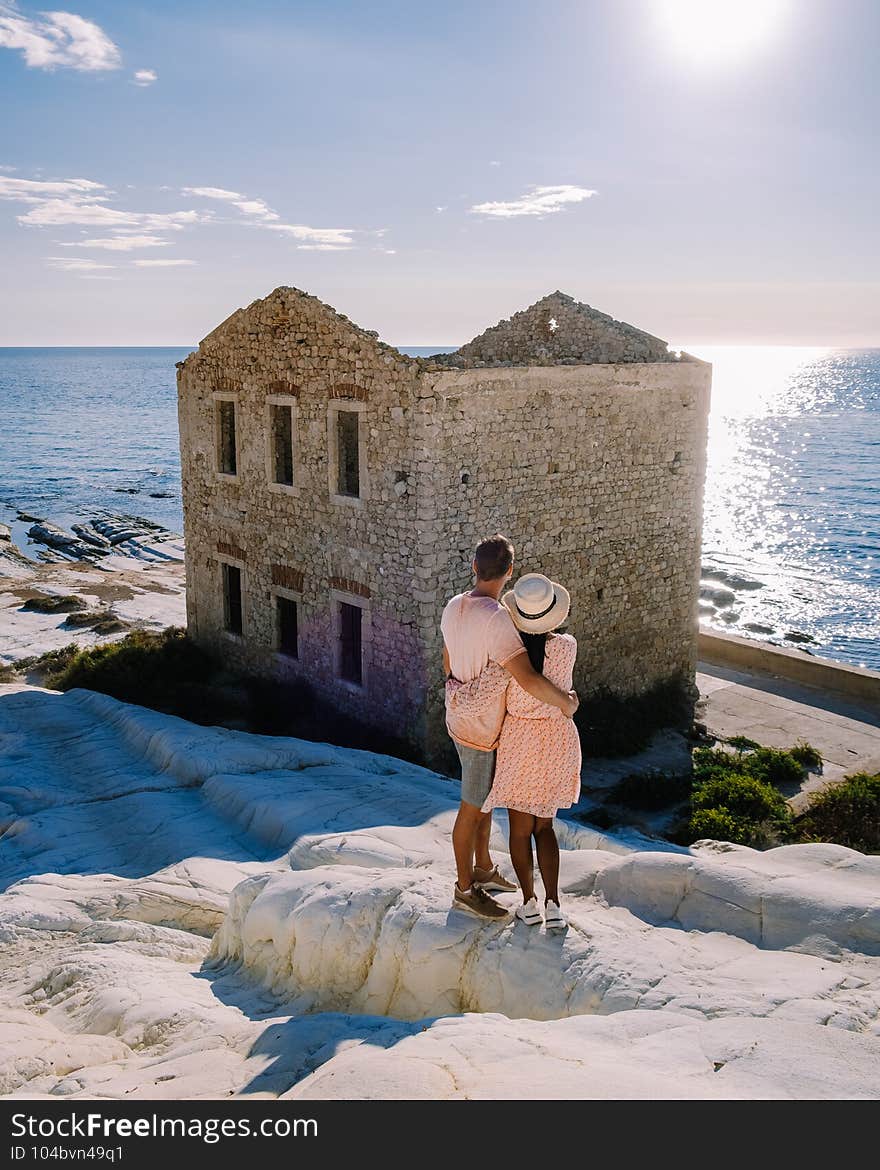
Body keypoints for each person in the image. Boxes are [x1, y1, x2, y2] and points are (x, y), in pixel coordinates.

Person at [441, 536, 579, 920]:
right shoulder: (498, 619)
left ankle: (483, 868)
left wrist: (469, 694)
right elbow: (529, 680)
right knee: (471, 808)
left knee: (484, 800)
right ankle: (464, 889)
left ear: (474, 566)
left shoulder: (454, 606)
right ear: (510, 573)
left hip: (459, 719)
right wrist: (567, 702)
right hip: (484, 731)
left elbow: (447, 663)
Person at [481, 573, 582, 930]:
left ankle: (528, 903)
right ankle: (554, 904)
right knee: (545, 828)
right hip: (555, 738)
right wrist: (570, 702)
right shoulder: (566, 646)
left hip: (520, 738)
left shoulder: (508, 653)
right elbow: (564, 691)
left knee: (520, 830)